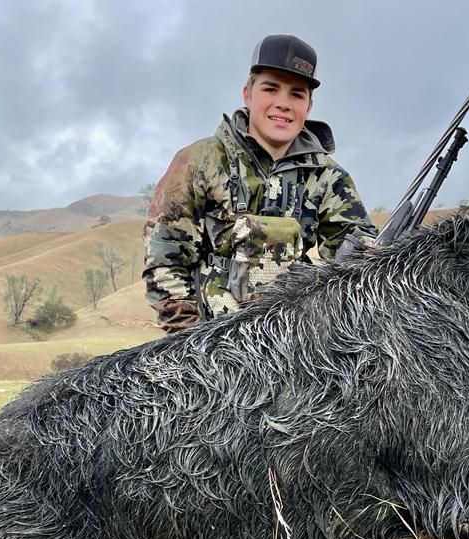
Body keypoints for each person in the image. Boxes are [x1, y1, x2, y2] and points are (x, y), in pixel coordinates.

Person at [141, 33, 378, 331]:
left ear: (309, 105)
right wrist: (188, 342)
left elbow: (360, 263)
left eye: (296, 94)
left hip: (298, 343)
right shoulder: (200, 161)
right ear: (247, 94)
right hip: (208, 349)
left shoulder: (329, 177)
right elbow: (165, 260)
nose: (283, 104)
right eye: (270, 88)